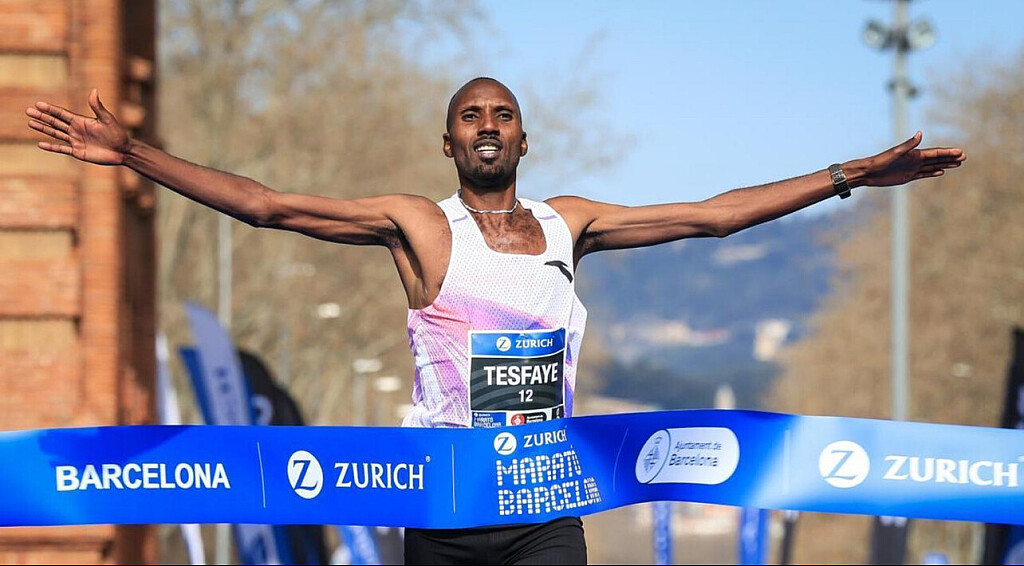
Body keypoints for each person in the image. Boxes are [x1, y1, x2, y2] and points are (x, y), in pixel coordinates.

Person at [26, 77, 965, 565]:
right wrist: (136, 152)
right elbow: (268, 206)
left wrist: (848, 175)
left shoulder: (570, 224)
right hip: (442, 497)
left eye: (502, 114)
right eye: (470, 115)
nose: (487, 124)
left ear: (524, 137)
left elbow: (713, 216)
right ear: (448, 141)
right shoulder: (417, 225)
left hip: (544, 501)